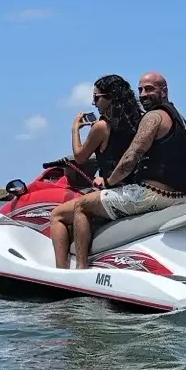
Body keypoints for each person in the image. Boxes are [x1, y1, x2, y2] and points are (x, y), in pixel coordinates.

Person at [60, 70, 186, 272]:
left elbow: (130, 158)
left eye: (149, 89)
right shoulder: (179, 119)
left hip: (153, 195)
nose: (143, 94)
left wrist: (108, 182)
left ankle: (80, 270)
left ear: (164, 91)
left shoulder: (153, 117)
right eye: (140, 90)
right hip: (180, 196)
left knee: (82, 205)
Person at [50, 75, 142, 269]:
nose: (94, 103)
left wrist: (75, 129)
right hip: (136, 188)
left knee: (58, 215)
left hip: (115, 190)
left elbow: (80, 157)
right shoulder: (138, 122)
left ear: (110, 98)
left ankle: (67, 270)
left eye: (97, 97)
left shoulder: (102, 127)